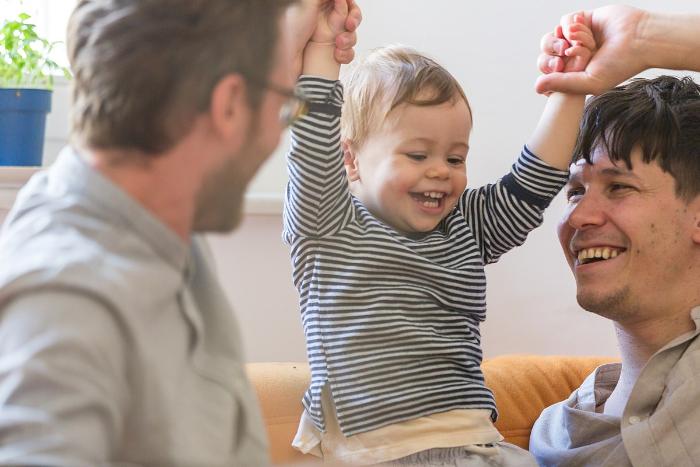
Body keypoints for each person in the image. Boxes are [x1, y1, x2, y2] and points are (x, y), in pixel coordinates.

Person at [0, 0, 360, 466]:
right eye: (282, 108)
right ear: (228, 105)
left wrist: (284, 52)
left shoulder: (157, 213)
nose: (275, 133)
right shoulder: (67, 302)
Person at [283, 6, 595, 465]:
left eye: (455, 158)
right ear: (350, 160)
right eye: (417, 155)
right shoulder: (327, 224)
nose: (440, 172)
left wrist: (570, 86)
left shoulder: (464, 225)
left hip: (477, 445)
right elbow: (311, 140)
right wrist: (322, 47)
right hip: (383, 453)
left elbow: (534, 181)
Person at [529, 6, 700, 467]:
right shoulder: (551, 434)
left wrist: (645, 36)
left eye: (619, 187)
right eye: (574, 191)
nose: (579, 217)